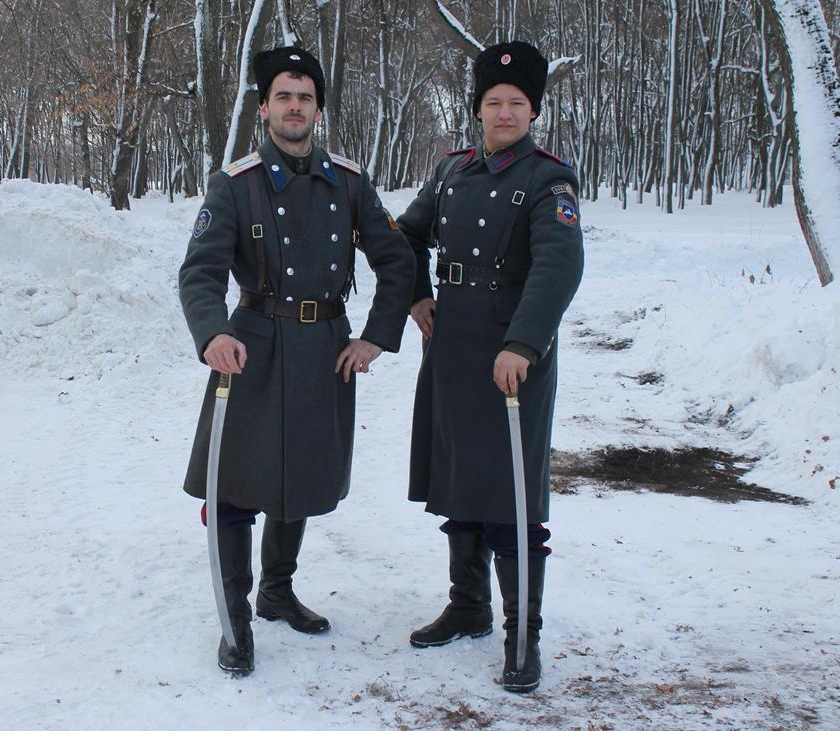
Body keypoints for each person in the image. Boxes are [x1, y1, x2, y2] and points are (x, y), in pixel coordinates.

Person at [179, 46, 414, 676]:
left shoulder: (350, 181)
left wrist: (376, 337)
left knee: (303, 477)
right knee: (235, 485)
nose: (294, 107)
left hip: (324, 348)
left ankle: (277, 592)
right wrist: (212, 334)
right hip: (250, 348)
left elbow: (397, 261)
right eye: (283, 96)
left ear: (318, 109)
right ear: (264, 107)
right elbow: (200, 272)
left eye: (305, 97)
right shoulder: (235, 183)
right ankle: (235, 618)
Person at [396, 40, 584, 693]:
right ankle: (468, 604)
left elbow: (559, 265)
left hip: (512, 357)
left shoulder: (549, 179)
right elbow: (405, 235)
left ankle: (521, 636)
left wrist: (523, 344)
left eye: (517, 102)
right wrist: (416, 293)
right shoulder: (451, 171)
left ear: (533, 111)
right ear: (477, 108)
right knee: (459, 479)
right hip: (452, 347)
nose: (505, 113)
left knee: (511, 492)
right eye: (494, 101)